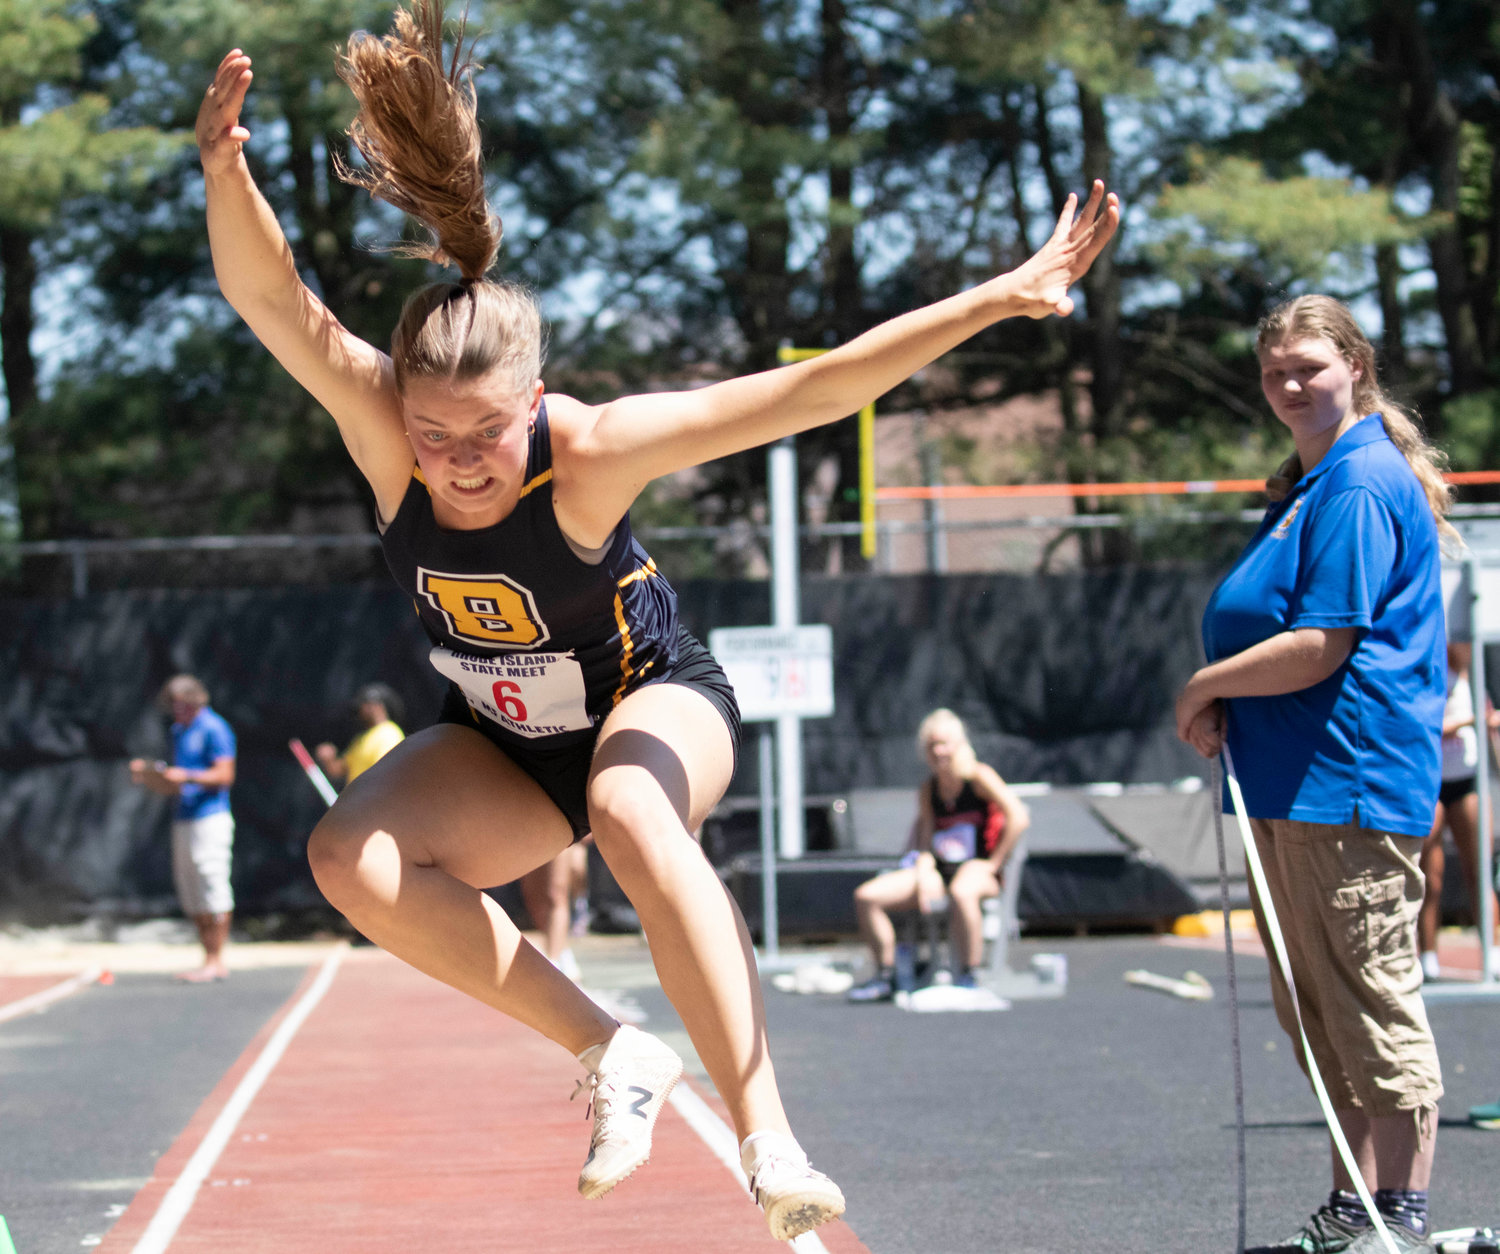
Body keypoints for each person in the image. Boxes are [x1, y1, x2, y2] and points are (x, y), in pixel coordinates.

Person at [194, 4, 1116, 1237]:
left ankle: (768, 1132)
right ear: (399, 413)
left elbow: (818, 387)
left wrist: (999, 299)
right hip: (506, 743)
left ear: (536, 401)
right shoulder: (386, 435)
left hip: (654, 700)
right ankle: (612, 1051)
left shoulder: (593, 451)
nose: (460, 466)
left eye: (487, 436)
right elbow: (275, 303)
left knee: (630, 812)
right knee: (342, 856)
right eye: (434, 437)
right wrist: (223, 171)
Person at [1175, 295, 1451, 1254]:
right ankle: (1351, 1207)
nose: (1291, 385)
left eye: (1309, 367)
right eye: (1275, 371)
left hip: (1350, 781)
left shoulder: (1362, 483)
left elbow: (1322, 643)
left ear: (1356, 367)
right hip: (1287, 784)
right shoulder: (1307, 480)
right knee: (1316, 1010)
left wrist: (1203, 686)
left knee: (1370, 998)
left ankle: (1401, 1215)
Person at [848, 709, 1030, 1000]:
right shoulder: (928, 790)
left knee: (962, 891)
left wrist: (993, 863)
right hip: (939, 868)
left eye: (944, 743)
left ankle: (969, 974)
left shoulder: (979, 778)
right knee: (867, 896)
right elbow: (925, 840)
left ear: (959, 744)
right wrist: (925, 870)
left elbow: (1018, 816)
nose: (938, 752)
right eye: (932, 745)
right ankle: (886, 973)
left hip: (977, 869)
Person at [129, 674, 238, 983]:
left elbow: (224, 775)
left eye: (181, 706)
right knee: (191, 891)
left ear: (195, 702)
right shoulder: (179, 731)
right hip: (184, 818)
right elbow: (173, 783)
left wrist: (186, 776)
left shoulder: (215, 728)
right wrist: (151, 775)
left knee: (212, 884)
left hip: (211, 818)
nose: (176, 712)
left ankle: (217, 960)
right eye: (173, 707)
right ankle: (207, 957)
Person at [1417, 641, 1500, 980]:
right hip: (1434, 782)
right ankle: (1427, 956)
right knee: (1430, 876)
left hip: (1468, 780)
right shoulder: (1431, 670)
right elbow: (1426, 727)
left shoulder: (1478, 678)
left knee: (1479, 869)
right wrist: (1469, 722)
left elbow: (1489, 725)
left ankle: (1492, 952)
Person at [519, 838, 591, 980]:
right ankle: (562, 951)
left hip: (561, 825)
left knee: (556, 893)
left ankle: (553, 965)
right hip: (528, 828)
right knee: (534, 895)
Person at [315, 683, 407, 787]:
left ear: (377, 706)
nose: (360, 710)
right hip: (358, 801)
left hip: (374, 801)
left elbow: (387, 773)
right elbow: (339, 771)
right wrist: (329, 759)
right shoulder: (361, 738)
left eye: (363, 705)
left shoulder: (388, 732)